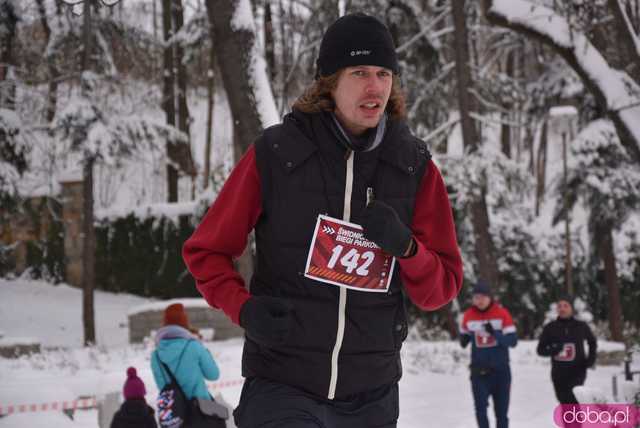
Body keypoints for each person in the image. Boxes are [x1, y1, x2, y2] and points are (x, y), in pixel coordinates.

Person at [183, 12, 463, 428]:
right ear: (329, 81)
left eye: (384, 73)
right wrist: (244, 309)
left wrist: (408, 249)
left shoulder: (413, 167)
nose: (375, 87)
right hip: (283, 383)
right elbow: (206, 251)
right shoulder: (278, 154)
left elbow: (441, 288)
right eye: (360, 72)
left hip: (372, 393)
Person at [459, 281, 518, 428]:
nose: (479, 301)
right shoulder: (468, 315)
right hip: (479, 373)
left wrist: (495, 333)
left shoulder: (502, 313)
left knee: (501, 414)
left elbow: (512, 341)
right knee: (480, 411)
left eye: (482, 297)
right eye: (476, 297)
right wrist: (464, 338)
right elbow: (463, 339)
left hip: (501, 373)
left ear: (490, 297)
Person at [150, 303, 220, 404]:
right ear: (184, 324)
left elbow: (162, 386)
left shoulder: (155, 356)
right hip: (200, 410)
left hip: (175, 413)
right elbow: (213, 375)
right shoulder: (194, 346)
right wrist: (205, 352)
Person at [537, 297, 597, 404]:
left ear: (571, 308)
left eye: (565, 306)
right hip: (558, 374)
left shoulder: (581, 326)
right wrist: (554, 350)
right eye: (559, 306)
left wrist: (590, 360)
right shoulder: (550, 328)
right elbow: (540, 350)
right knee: (564, 404)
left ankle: (577, 421)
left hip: (577, 371)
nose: (562, 309)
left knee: (574, 402)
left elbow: (592, 342)